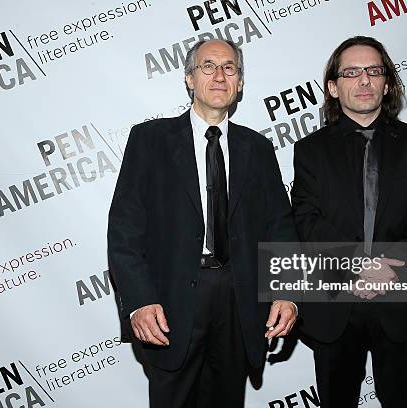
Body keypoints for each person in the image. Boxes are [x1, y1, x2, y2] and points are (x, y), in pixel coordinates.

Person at [108, 38, 297, 408]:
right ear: (189, 79)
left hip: (238, 302)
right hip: (171, 304)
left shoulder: (257, 148)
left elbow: (281, 227)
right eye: (207, 66)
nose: (219, 75)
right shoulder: (150, 140)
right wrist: (140, 301)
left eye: (230, 68)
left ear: (240, 82)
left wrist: (287, 291)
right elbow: (124, 229)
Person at [291, 36, 407, 407]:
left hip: (401, 304)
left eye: (373, 71)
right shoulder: (309, 151)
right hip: (334, 309)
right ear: (333, 86)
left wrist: (389, 269)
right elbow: (305, 219)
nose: (363, 80)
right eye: (351, 72)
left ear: (387, 82)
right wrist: (358, 267)